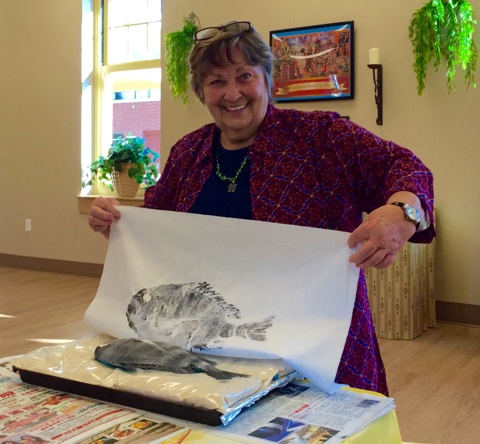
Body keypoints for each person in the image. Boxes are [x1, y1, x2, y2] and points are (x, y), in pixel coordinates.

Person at [89, 21, 435, 396]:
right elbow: (157, 230)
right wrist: (118, 225)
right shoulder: (188, 152)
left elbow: (405, 165)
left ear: (267, 80)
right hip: (212, 346)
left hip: (316, 349)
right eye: (216, 81)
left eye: (244, 76)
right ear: (201, 92)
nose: (232, 93)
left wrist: (403, 213)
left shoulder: (322, 137)